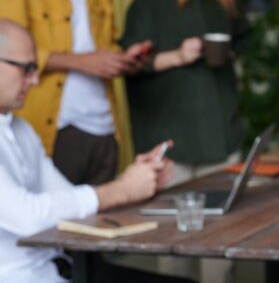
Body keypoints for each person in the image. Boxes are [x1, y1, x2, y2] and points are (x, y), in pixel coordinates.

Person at [0, 19, 189, 283]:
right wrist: (121, 190)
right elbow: (27, 217)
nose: (35, 79)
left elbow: (69, 199)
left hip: (62, 268)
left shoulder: (21, 130)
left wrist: (134, 181)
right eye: (27, 68)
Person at [0, 0, 151, 185]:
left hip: (105, 127)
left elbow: (102, 44)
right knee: (57, 225)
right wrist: (82, 62)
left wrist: (122, 60)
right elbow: (8, 55)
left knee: (105, 222)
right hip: (55, 128)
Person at [120, 0, 245, 186]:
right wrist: (178, 56)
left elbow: (241, 43)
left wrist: (226, 54)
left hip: (223, 139)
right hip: (173, 147)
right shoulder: (148, 4)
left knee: (230, 224)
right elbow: (130, 64)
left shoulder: (221, 4)